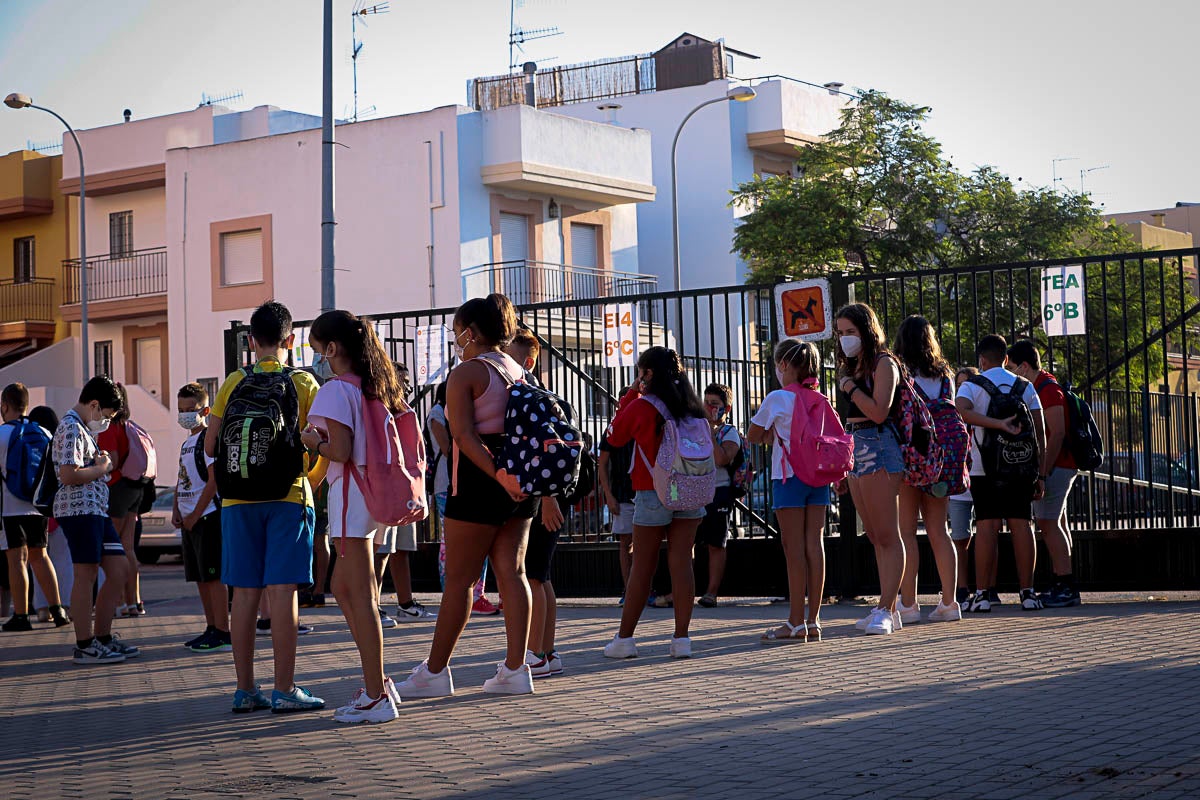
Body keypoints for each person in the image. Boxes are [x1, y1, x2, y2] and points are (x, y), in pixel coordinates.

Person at [395, 294, 538, 697]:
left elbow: (462, 435)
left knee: (459, 580)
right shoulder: (517, 368)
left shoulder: (466, 374)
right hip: (520, 478)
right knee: (513, 573)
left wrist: (496, 474)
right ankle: (516, 668)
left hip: (478, 481)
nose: (455, 339)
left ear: (470, 332)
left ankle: (435, 673)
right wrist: (511, 478)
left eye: (457, 331)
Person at [206, 300, 323, 714]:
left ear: (251, 341)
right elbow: (318, 442)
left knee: (244, 597)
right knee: (283, 592)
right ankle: (285, 688)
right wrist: (310, 482)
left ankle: (244, 689)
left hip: (238, 501)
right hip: (288, 497)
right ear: (291, 340)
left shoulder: (234, 381)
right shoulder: (304, 383)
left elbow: (210, 445)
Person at [301, 309, 409, 723]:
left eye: (317, 350)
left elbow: (341, 451)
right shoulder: (375, 385)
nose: (317, 359)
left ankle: (376, 694)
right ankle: (378, 684)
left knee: (356, 595)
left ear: (332, 348)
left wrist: (313, 439)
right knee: (352, 591)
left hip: (351, 497)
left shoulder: (334, 391)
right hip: (374, 495)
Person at [603, 346, 709, 660]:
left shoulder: (643, 406)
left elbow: (614, 436)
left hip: (653, 492)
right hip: (690, 488)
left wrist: (629, 397)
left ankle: (625, 640)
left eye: (641, 371)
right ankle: (682, 640)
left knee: (642, 567)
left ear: (648, 373)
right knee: (682, 563)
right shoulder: (693, 408)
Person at [954, 334, 1046, 612]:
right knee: (1022, 526)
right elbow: (1040, 431)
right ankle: (1027, 592)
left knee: (986, 528)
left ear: (981, 360)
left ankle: (982, 595)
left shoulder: (971, 386)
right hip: (1021, 467)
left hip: (984, 469)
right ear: (1006, 358)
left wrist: (995, 424)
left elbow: (962, 413)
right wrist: (1040, 473)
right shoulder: (1025, 386)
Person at [748, 340, 831, 643]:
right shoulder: (820, 397)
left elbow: (754, 434)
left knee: (793, 550)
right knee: (815, 546)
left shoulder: (778, 398)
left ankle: (794, 622)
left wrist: (775, 436)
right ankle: (814, 620)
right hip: (818, 478)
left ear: (783, 365)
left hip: (788, 478)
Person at [53, 375, 139, 664]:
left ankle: (102, 637)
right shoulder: (70, 426)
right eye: (106, 415)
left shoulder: (82, 429)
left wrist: (99, 464)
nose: (106, 422)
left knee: (119, 568)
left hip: (95, 509)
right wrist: (101, 468)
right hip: (78, 510)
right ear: (94, 405)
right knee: (86, 574)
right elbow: (67, 474)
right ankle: (85, 643)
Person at [835, 303, 906, 636]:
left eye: (850, 331)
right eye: (840, 333)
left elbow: (879, 411)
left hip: (878, 445)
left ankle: (888, 609)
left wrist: (849, 387)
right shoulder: (855, 365)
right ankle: (886, 604)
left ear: (866, 329)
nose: (845, 338)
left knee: (887, 534)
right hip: (856, 446)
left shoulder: (884, 362)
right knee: (875, 535)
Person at [506, 329, 570, 679]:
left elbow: (549, 450)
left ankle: (538, 653)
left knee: (534, 576)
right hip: (544, 494)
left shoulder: (533, 395)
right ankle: (547, 652)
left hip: (545, 496)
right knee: (539, 576)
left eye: (510, 353)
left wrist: (548, 497)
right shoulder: (534, 393)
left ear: (528, 361)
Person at [893, 316, 963, 623]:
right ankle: (950, 602)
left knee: (906, 532)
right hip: (941, 457)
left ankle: (908, 605)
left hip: (911, 455)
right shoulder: (945, 373)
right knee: (940, 531)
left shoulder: (900, 372)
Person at [1007, 339, 1081, 608]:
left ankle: (1066, 585)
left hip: (1056, 466)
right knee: (1056, 523)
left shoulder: (1046, 390)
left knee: (1048, 524)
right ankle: (1064, 582)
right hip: (1058, 465)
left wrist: (1043, 472)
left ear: (1025, 366)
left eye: (1012, 368)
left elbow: (1057, 432)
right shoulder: (1044, 384)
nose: (1011, 374)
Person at [426, 381, 498, 616]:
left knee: (480, 540)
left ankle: (478, 592)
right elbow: (447, 447)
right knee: (450, 541)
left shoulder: (470, 411)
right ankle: (451, 591)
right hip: (446, 483)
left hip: (469, 481)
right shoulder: (437, 413)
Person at [0, 383, 68, 631]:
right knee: (40, 556)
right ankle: (58, 610)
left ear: (5, 406)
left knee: (16, 559)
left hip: (9, 508)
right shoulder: (44, 432)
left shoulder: (2, 434)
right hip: (38, 506)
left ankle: (21, 616)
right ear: (26, 405)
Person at [173, 382, 229, 653]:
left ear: (205, 410)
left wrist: (196, 513)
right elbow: (181, 479)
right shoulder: (186, 442)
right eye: (180, 409)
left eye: (190, 410)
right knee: (200, 577)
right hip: (189, 520)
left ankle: (222, 630)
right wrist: (177, 510)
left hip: (206, 517)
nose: (184, 414)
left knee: (213, 577)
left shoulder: (208, 439)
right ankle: (210, 627)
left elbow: (213, 481)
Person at [97, 383, 153, 617]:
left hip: (117, 488)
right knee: (128, 548)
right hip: (135, 488)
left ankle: (117, 601)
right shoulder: (130, 425)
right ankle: (134, 601)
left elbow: (115, 459)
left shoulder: (111, 427)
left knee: (112, 549)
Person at [696, 383, 743, 608]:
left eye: (714, 404)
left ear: (727, 408)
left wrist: (709, 433)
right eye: (705, 402)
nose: (708, 408)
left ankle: (711, 592)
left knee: (716, 543)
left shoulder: (729, 432)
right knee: (687, 543)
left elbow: (722, 458)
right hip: (694, 491)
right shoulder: (695, 427)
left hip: (719, 491)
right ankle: (682, 591)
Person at [948, 367, 979, 609]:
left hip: (982, 477)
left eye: (967, 385)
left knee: (988, 533)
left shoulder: (984, 411)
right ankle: (961, 589)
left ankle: (985, 589)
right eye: (959, 385)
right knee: (959, 537)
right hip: (959, 483)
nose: (962, 390)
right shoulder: (950, 415)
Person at [598, 413, 636, 604]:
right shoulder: (612, 428)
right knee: (626, 543)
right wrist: (609, 496)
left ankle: (646, 588)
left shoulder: (645, 422)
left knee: (647, 545)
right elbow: (602, 463)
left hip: (648, 491)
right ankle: (629, 589)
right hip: (622, 493)